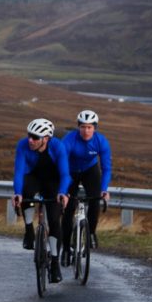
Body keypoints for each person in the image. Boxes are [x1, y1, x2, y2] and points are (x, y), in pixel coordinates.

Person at [11, 117, 71, 282]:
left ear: (46, 138)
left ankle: (55, 263)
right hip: (34, 177)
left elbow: (65, 174)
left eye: (35, 137)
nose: (30, 140)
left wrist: (63, 193)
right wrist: (17, 193)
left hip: (53, 181)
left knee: (54, 220)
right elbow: (19, 172)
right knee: (26, 193)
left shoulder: (57, 146)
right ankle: (29, 230)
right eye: (29, 135)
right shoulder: (23, 145)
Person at [61, 109, 112, 262]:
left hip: (90, 171)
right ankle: (65, 248)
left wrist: (104, 189)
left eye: (89, 127)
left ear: (94, 128)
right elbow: (61, 164)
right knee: (68, 208)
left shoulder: (101, 141)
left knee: (95, 200)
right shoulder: (69, 139)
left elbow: (106, 168)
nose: (86, 131)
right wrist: (63, 190)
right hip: (70, 172)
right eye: (83, 127)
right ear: (78, 127)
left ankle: (91, 233)